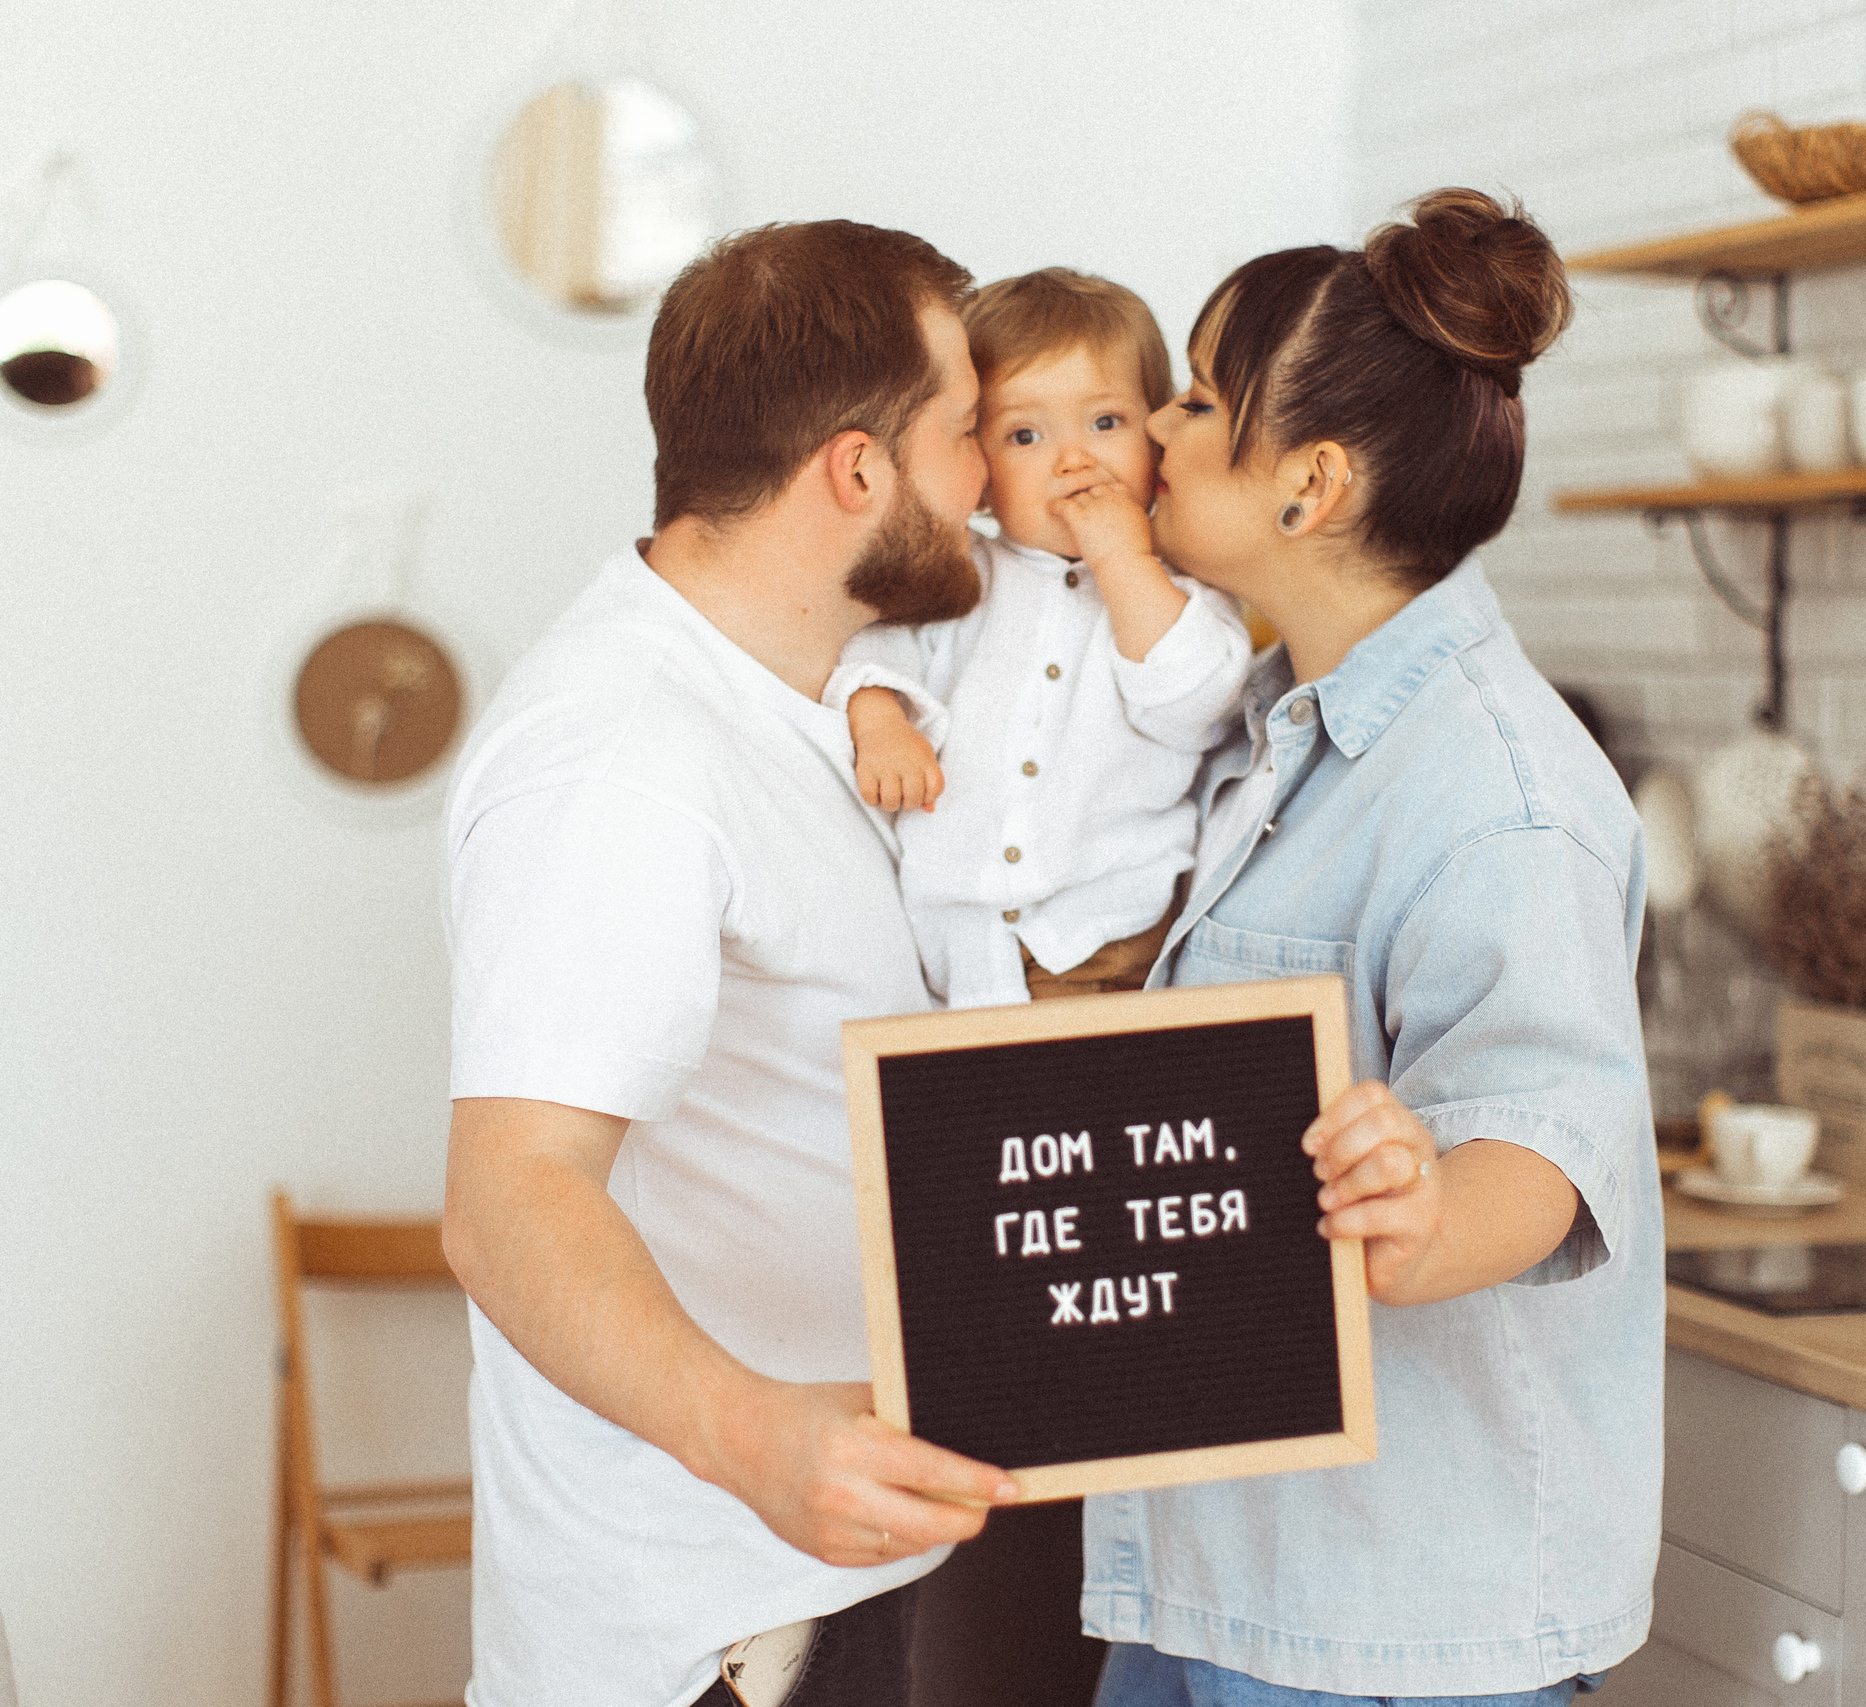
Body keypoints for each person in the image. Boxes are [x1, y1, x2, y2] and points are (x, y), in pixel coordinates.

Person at [1068, 189, 1664, 1705]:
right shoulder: (1281, 736)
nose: (1156, 428)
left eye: (1199, 399)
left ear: (1309, 482)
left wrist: (1426, 1211)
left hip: (1395, 1619)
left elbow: (1546, 1139)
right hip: (1225, 1571)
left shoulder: (1499, 795)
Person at [438, 218, 1025, 1707]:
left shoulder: (799, 706)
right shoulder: (623, 750)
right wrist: (757, 1435)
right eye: (965, 433)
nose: (996, 484)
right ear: (854, 469)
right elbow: (512, 1198)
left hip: (815, 1587)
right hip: (706, 1635)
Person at [837, 267, 1253, 1008]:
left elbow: (1192, 706)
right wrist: (880, 719)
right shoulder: (959, 577)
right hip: (953, 947)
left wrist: (1122, 558)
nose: (1072, 459)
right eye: (1024, 435)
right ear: (982, 473)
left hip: (1106, 940)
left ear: (1155, 440)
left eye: (1106, 423)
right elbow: (877, 649)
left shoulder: (1182, 591)